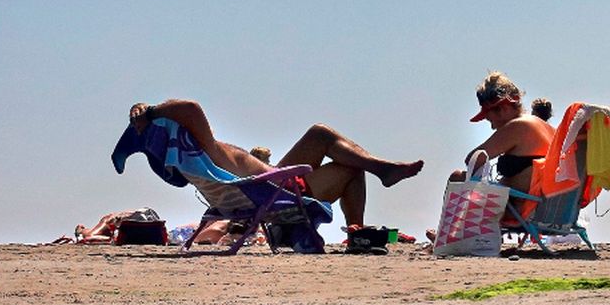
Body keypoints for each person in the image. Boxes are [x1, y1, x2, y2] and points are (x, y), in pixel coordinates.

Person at [128, 99, 423, 227]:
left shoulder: (199, 158)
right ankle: (359, 227)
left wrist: (141, 111)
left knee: (319, 133)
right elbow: (190, 108)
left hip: (267, 183)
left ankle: (381, 170)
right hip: (279, 191)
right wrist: (151, 112)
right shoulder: (209, 149)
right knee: (350, 167)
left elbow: (185, 111)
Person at [456, 72, 556, 193]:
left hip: (521, 207)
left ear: (503, 109)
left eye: (490, 120)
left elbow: (472, 160)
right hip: (544, 205)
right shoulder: (550, 130)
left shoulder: (518, 126)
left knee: (457, 177)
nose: (493, 127)